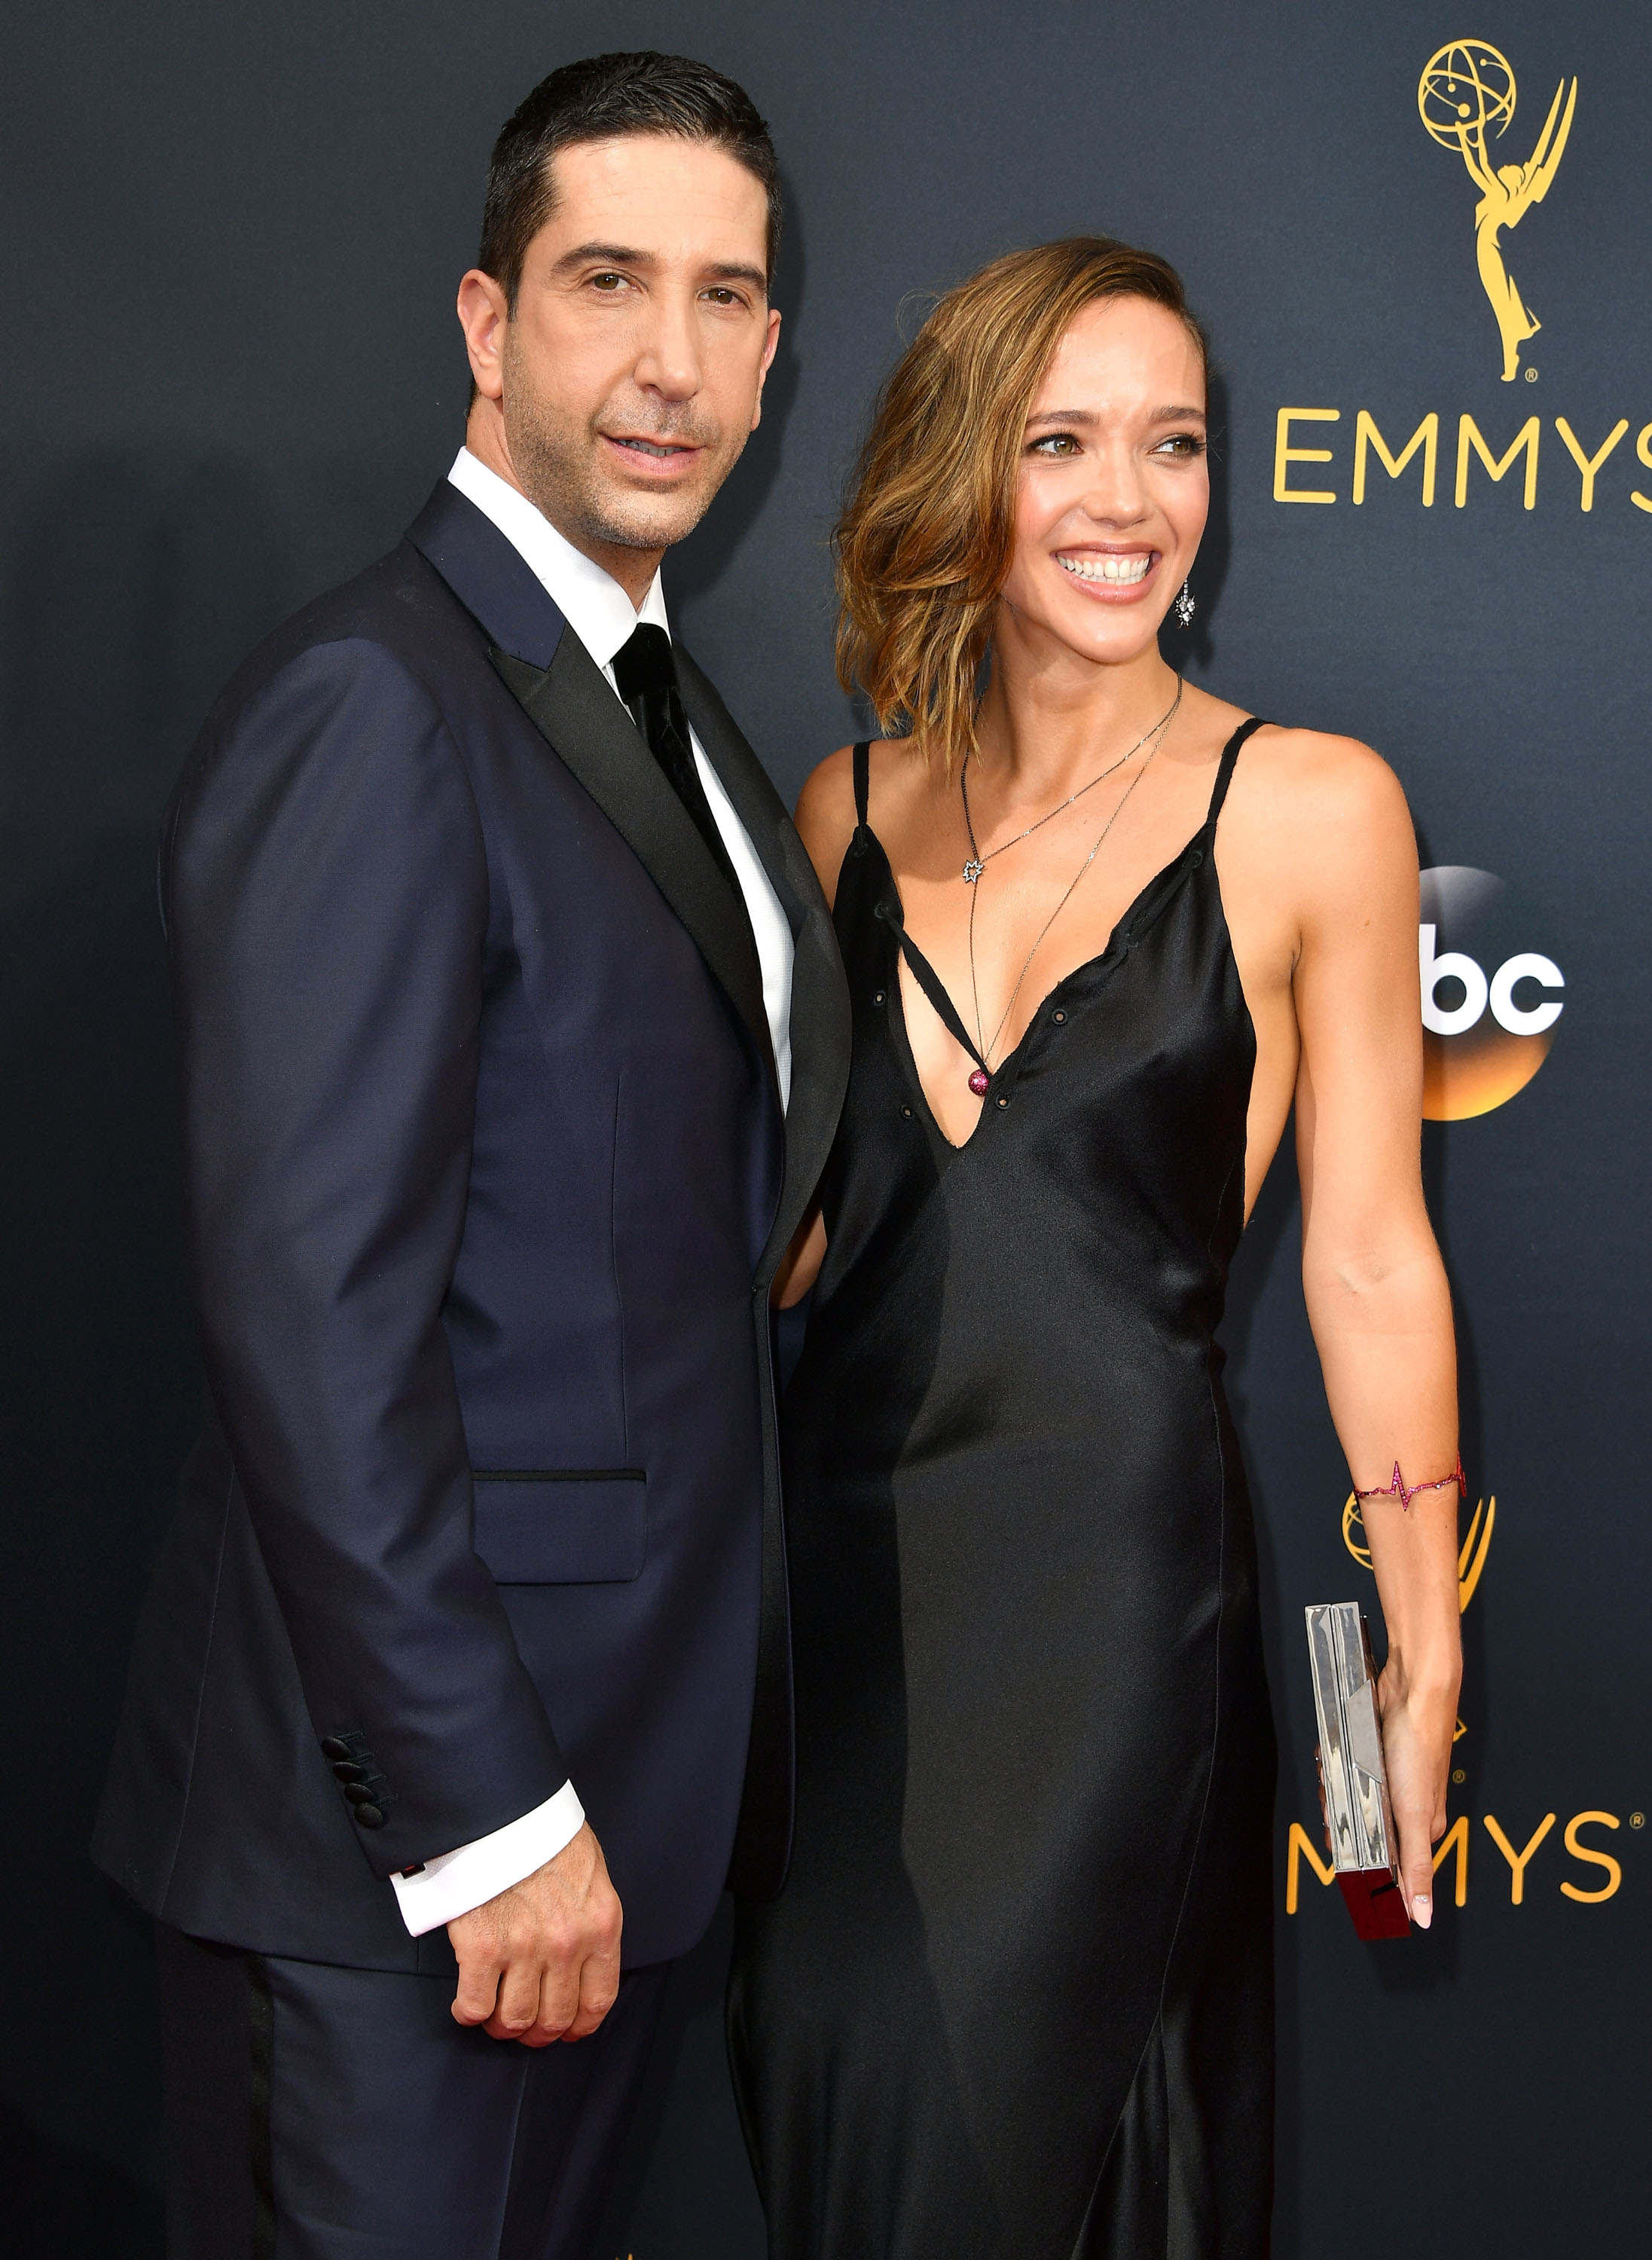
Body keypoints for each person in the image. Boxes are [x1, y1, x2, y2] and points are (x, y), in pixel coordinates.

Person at [93, 50, 847, 2259]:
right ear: (484, 321)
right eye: (607, 282)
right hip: (422, 1874)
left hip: (619, 1823)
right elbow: (311, 1323)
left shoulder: (670, 708)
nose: (668, 361)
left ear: (776, 351)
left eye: (724, 298)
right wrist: (487, 1819)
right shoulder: (378, 700)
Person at [728, 238, 1463, 2258]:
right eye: (1062, 443)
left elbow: (1369, 1259)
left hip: (1113, 1615)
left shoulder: (1307, 807)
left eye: (1174, 445)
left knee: (986, 2149)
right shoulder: (835, 813)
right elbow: (797, 1251)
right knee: (830, 2116)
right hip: (839, 1609)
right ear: (967, 470)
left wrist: (1421, 1642)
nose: (1126, 502)